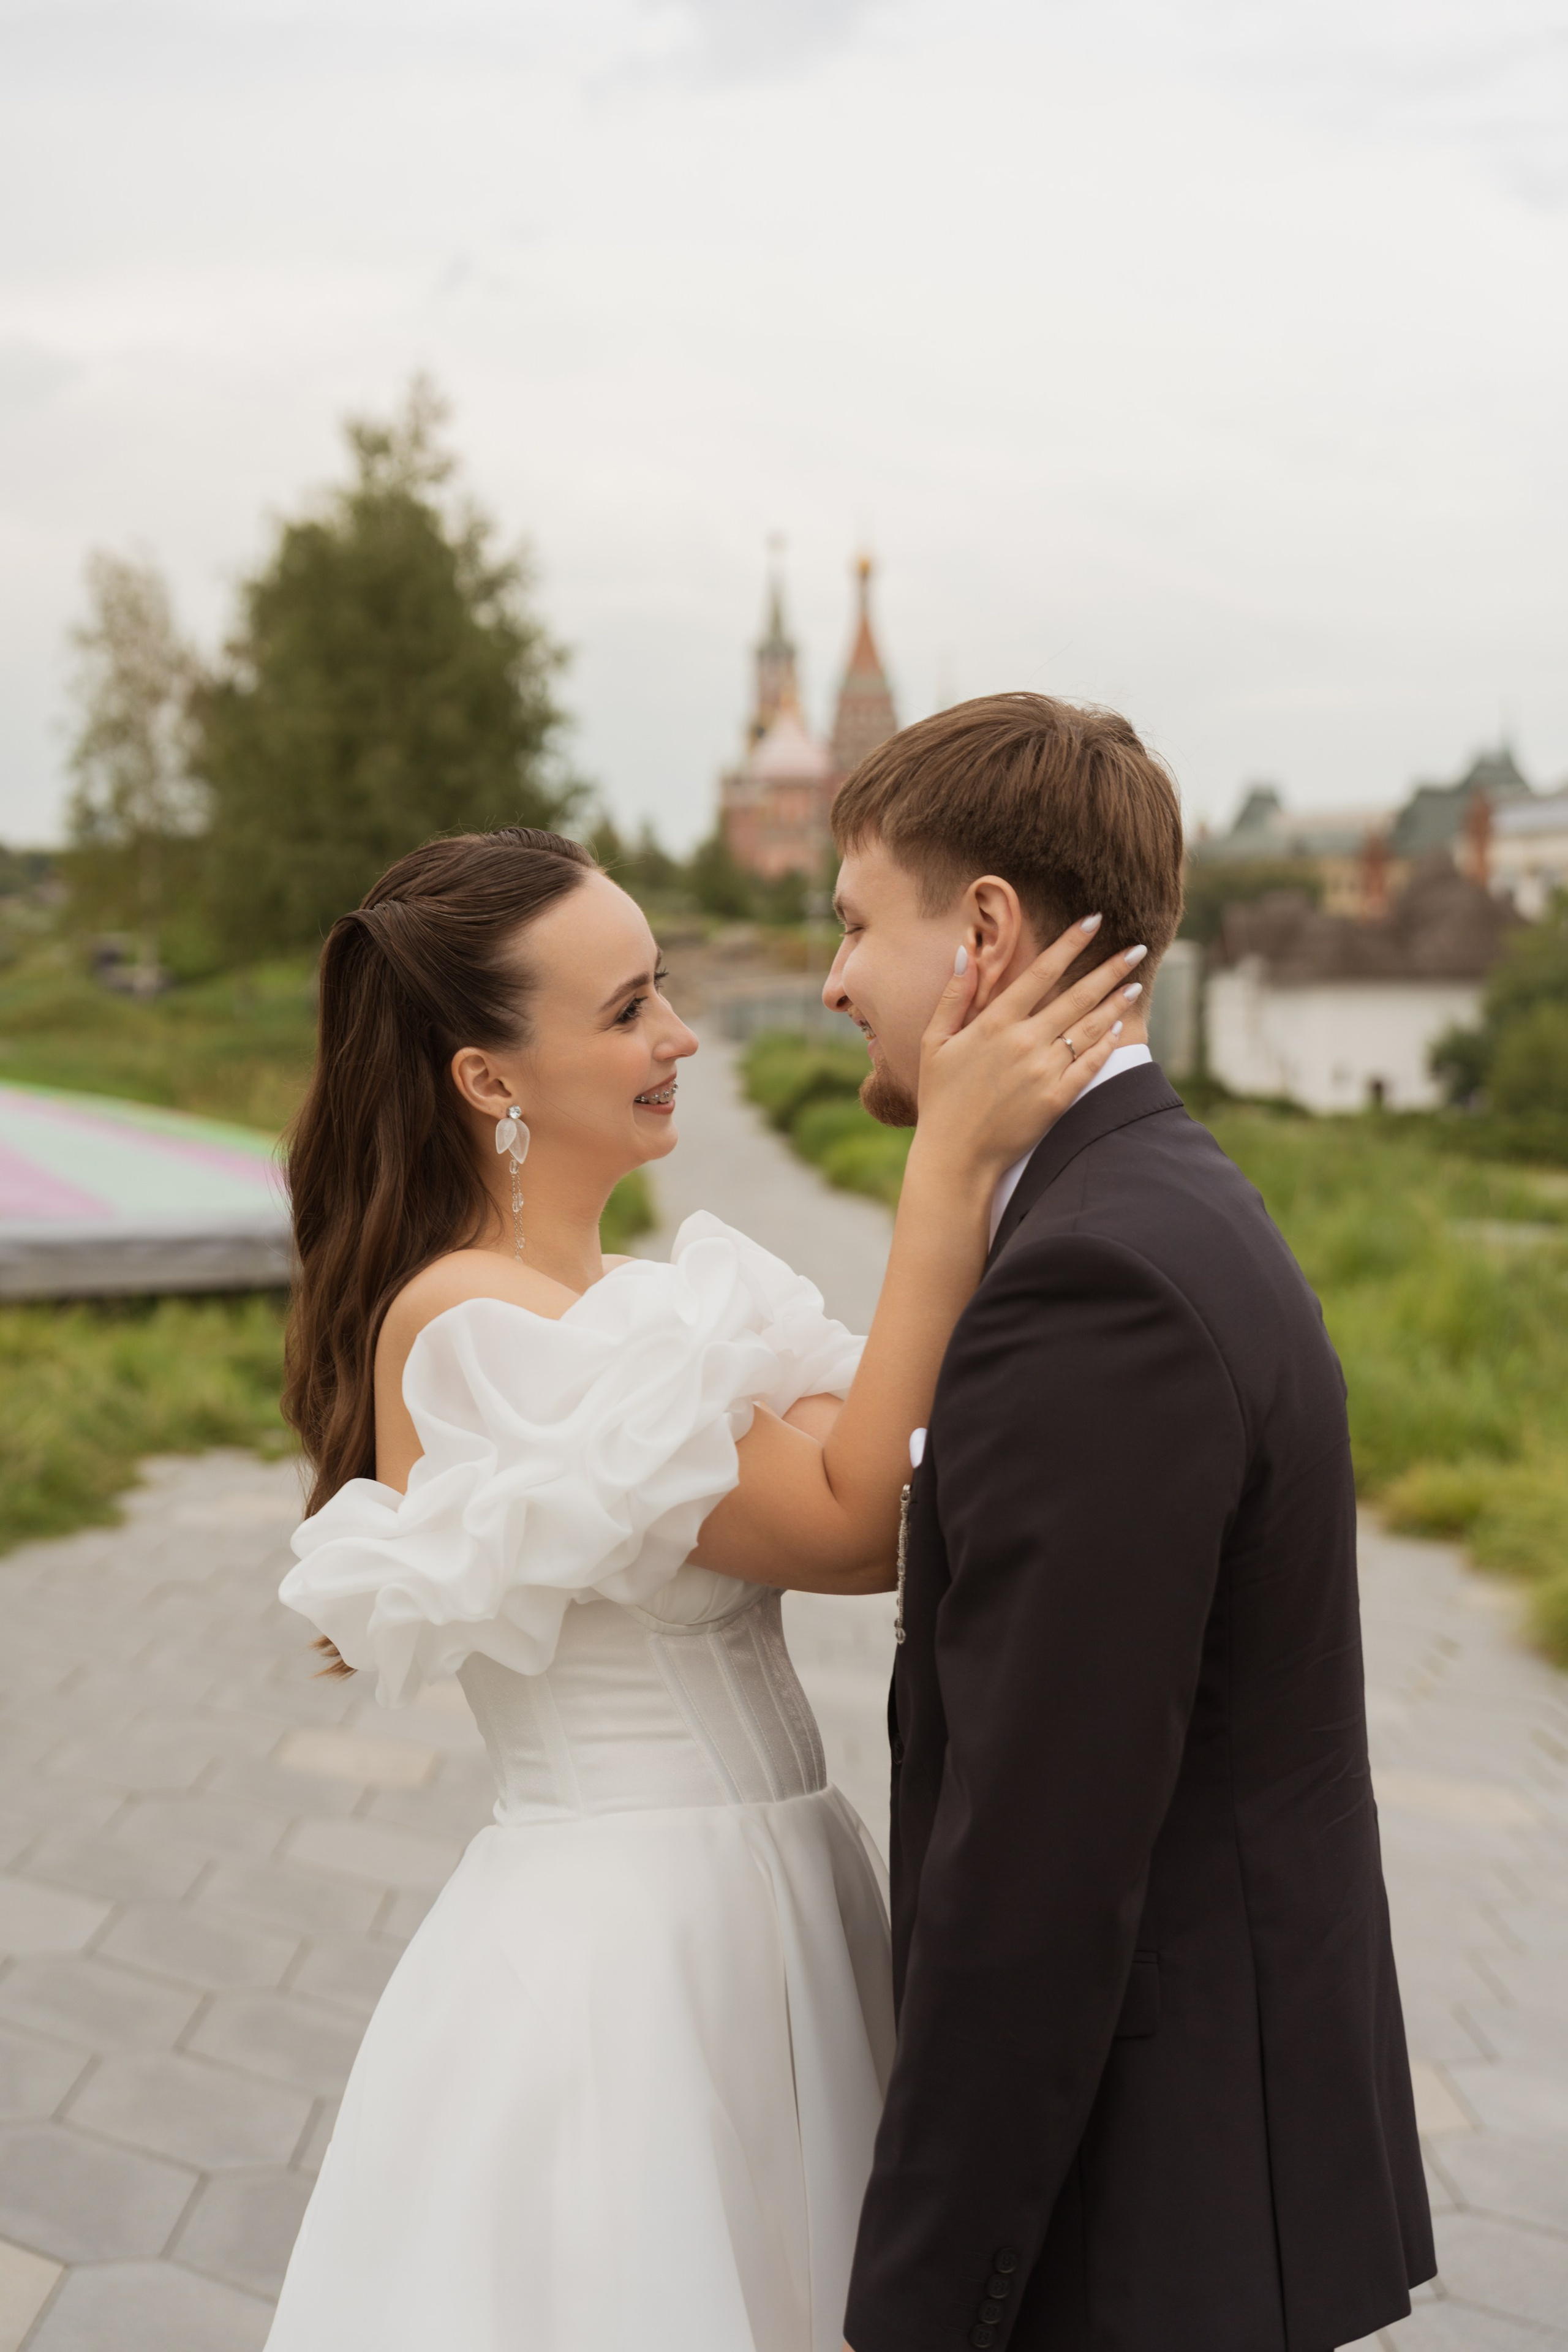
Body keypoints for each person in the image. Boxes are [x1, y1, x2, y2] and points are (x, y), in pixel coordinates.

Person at [264, 824, 1137, 2352]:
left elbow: (880, 1441)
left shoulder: (627, 1313)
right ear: (488, 1080)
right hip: (631, 1958)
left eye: (660, 985)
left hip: (767, 1907)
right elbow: (859, 1522)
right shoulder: (474, 1323)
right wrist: (947, 1168)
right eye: (622, 1012)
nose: (676, 1035)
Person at [827, 695, 1435, 2352]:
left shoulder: (1096, 1283)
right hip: (1216, 2169)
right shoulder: (1166, 1200)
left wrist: (923, 2308)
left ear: (985, 933)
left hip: (1144, 2219)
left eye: (855, 923)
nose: (830, 982)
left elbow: (1037, 1870)